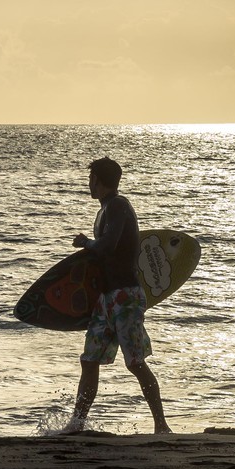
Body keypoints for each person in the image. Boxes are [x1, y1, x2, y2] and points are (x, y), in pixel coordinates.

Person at [60, 157, 171, 436]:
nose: (89, 183)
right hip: (107, 299)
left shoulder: (119, 206)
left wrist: (85, 242)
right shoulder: (106, 209)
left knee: (135, 362)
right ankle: (77, 424)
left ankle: (161, 425)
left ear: (97, 179)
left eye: (91, 178)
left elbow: (108, 246)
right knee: (89, 360)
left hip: (126, 297)